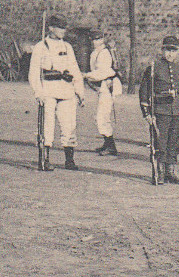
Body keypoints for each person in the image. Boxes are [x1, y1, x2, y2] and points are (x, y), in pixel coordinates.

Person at [28, 14, 85, 171]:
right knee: (47, 124)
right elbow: (34, 73)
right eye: (59, 28)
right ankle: (45, 159)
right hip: (49, 89)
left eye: (64, 28)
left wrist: (80, 91)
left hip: (66, 90)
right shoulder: (41, 47)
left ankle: (69, 159)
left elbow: (75, 70)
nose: (62, 31)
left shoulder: (67, 47)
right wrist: (38, 93)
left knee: (69, 125)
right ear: (51, 28)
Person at [139, 36, 179, 185]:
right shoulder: (154, 68)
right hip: (160, 111)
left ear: (178, 52)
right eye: (167, 50)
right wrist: (147, 113)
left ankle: (170, 172)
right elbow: (144, 91)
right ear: (162, 50)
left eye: (173, 51)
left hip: (177, 111)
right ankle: (160, 173)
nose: (170, 54)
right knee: (160, 142)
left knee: (174, 142)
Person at [86, 29, 122, 157]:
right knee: (102, 116)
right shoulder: (95, 53)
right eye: (94, 40)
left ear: (102, 40)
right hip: (102, 87)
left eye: (98, 39)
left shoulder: (104, 53)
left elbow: (101, 73)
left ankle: (111, 146)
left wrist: (86, 75)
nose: (96, 42)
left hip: (108, 86)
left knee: (102, 116)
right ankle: (107, 143)